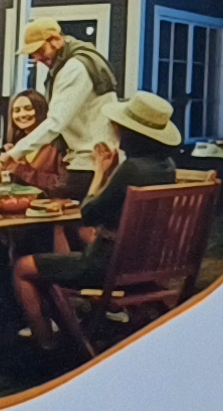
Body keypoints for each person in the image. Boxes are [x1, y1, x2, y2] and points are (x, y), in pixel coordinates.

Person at [22, 92, 193, 348]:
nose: (114, 127)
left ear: (130, 132)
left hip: (110, 266)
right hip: (146, 262)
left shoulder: (132, 168)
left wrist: (100, 172)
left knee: (22, 267)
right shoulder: (166, 166)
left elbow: (88, 214)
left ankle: (47, 347)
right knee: (78, 239)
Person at [8, 24, 123, 184]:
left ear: (56, 40)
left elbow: (56, 122)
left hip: (90, 162)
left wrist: (12, 154)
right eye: (33, 54)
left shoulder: (75, 68)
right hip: (91, 159)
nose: (37, 58)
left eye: (40, 50)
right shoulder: (71, 65)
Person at [0, 90, 72, 198]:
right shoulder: (16, 145)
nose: (22, 114)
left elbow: (63, 184)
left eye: (28, 108)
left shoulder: (57, 143)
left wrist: (19, 169)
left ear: (40, 110)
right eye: (17, 110)